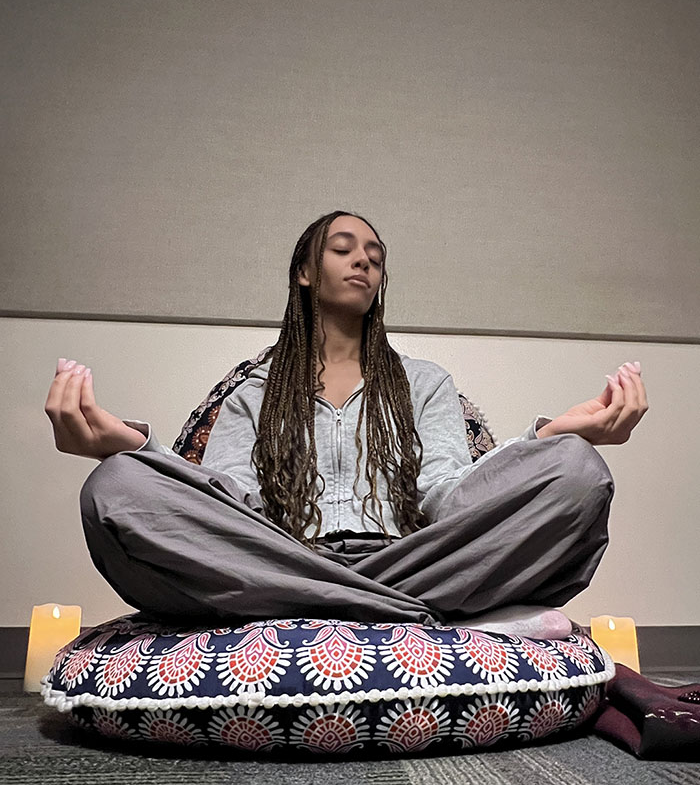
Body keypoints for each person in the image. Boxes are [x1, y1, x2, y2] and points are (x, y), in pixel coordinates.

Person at [45, 210, 648, 637]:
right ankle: (438, 613)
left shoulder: (426, 381)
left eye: (376, 257)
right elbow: (233, 511)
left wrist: (548, 440)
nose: (364, 259)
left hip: (407, 561)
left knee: (579, 472)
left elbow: (447, 499)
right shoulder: (254, 392)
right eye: (344, 248)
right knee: (114, 488)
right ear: (305, 272)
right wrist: (132, 447)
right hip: (278, 558)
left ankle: (319, 607)